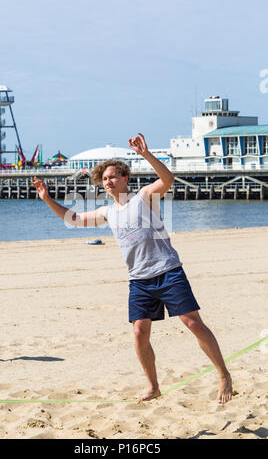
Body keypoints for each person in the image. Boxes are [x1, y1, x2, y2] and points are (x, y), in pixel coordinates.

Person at [33, 133, 233, 404]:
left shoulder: (144, 197)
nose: (108, 181)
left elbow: (168, 181)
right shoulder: (107, 211)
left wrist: (147, 155)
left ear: (125, 178)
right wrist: (47, 198)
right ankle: (153, 386)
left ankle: (223, 374)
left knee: (193, 322)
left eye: (113, 176)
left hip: (167, 271)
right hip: (139, 280)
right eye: (104, 179)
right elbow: (75, 218)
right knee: (139, 332)